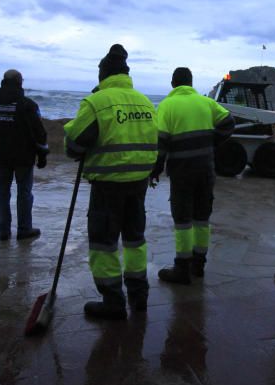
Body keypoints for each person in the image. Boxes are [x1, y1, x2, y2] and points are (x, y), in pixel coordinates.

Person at [64, 44, 158, 319]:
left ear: (102, 74)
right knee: (134, 240)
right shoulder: (144, 101)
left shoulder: (97, 102)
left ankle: (113, 302)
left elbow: (75, 143)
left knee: (104, 244)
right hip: (139, 183)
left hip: (108, 184)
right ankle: (139, 297)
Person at [151, 67, 235, 284]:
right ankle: (199, 265)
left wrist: (156, 170)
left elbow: (161, 143)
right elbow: (228, 122)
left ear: (173, 84)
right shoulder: (205, 102)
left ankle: (182, 268)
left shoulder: (167, 105)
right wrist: (211, 142)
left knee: (183, 219)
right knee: (202, 218)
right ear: (190, 83)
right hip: (206, 170)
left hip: (182, 171)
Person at [0, 69, 50, 241]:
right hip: (23, 157)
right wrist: (42, 155)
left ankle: (4, 230)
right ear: (20, 82)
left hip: (0, 157)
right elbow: (39, 133)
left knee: (3, 193)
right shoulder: (28, 105)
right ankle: (24, 229)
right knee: (24, 193)